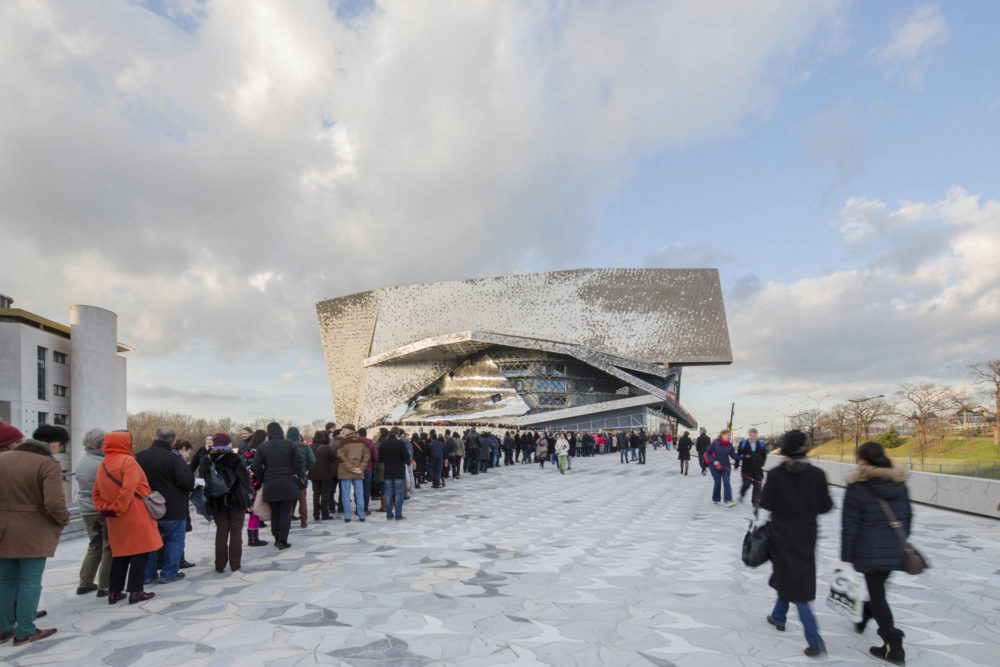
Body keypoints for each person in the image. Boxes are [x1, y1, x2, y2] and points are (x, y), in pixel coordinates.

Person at [759, 430, 833, 659]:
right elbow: (825, 507)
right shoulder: (818, 474)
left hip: (781, 535)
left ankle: (815, 639)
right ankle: (778, 617)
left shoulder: (776, 474)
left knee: (796, 588)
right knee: (793, 577)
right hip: (806, 535)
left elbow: (766, 503)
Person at [841, 441, 912, 665]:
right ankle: (864, 616)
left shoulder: (858, 485)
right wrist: (897, 540)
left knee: (878, 596)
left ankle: (893, 645)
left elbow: (850, 524)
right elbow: (908, 517)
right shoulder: (899, 484)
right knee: (878, 589)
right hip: (894, 547)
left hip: (869, 550)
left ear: (862, 460)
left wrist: (846, 554)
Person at [0, 425, 69, 645]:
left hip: (3, 529)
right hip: (32, 530)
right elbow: (54, 502)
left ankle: (3, 628)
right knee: (30, 580)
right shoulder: (48, 463)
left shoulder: (4, 458)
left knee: (5, 581)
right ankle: (25, 630)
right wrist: (63, 519)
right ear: (55, 444)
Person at [93, 431, 161, 606]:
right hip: (134, 513)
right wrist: (119, 508)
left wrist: (105, 509)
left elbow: (96, 492)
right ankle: (136, 591)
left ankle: (114, 591)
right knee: (140, 552)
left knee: (121, 554)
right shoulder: (128, 461)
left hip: (114, 517)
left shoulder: (104, 463)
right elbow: (128, 489)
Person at [136, 427, 195, 585]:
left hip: (146, 507)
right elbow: (188, 482)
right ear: (173, 442)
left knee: (149, 543)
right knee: (174, 541)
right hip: (173, 508)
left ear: (153, 439)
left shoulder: (138, 458)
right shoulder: (174, 459)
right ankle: (169, 573)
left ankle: (148, 574)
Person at [200, 433, 251, 573]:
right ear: (228, 443)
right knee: (236, 532)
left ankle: (220, 563)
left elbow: (203, 480)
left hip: (216, 501)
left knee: (221, 532)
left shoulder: (206, 459)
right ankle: (235, 563)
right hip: (236, 500)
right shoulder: (234, 458)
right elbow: (245, 479)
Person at [252, 423, 304, 550]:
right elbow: (298, 462)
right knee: (285, 512)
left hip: (270, 482)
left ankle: (276, 537)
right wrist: (300, 475)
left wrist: (261, 478)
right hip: (288, 481)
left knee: (275, 511)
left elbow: (256, 466)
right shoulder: (290, 444)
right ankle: (282, 539)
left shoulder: (262, 447)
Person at [75, 428, 112, 598]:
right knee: (108, 547)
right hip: (101, 509)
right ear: (99, 445)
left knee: (94, 545)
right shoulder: (102, 464)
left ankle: (85, 581)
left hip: (86, 509)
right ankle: (105, 585)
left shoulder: (83, 461)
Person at [336, 424, 370, 522]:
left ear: (348, 430)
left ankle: (347, 516)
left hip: (346, 471)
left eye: (344, 429)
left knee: (346, 494)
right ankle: (361, 515)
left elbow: (341, 456)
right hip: (358, 471)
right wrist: (361, 468)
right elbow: (367, 456)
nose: (343, 431)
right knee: (359, 494)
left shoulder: (343, 442)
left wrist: (351, 468)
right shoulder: (362, 442)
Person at [243, 429, 269, 547]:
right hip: (254, 484)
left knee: (254, 511)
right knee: (255, 511)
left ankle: (254, 537)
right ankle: (253, 539)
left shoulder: (250, 450)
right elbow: (254, 468)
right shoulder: (255, 451)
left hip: (250, 483)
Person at [378, 427, 410, 520]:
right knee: (399, 494)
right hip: (399, 471)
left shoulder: (383, 444)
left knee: (388, 494)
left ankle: (389, 514)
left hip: (388, 471)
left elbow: (380, 459)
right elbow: (406, 456)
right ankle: (398, 515)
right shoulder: (400, 443)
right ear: (398, 434)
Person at [286, 427, 314, 528]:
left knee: (289, 500)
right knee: (302, 499)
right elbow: (312, 461)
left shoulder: (285, 446)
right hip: (301, 475)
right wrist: (305, 469)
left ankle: (288, 520)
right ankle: (303, 520)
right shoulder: (305, 446)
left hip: (288, 476)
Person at [704, 430, 738, 506]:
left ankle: (728, 500)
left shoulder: (729, 445)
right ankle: (716, 499)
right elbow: (708, 453)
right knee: (718, 482)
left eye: (729, 435)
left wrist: (743, 457)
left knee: (726, 482)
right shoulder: (715, 443)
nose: (729, 437)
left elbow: (734, 456)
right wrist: (713, 461)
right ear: (722, 435)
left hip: (726, 467)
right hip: (715, 467)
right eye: (727, 435)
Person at [308, 431, 336, 521]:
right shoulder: (326, 447)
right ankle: (325, 513)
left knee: (316, 494)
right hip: (326, 474)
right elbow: (332, 458)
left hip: (313, 474)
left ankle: (316, 514)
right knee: (325, 494)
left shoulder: (310, 447)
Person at [736, 428, 768, 505]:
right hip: (747, 468)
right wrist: (736, 465)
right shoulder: (743, 444)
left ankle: (755, 502)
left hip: (757, 468)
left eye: (756, 436)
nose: (754, 438)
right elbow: (738, 455)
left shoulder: (761, 444)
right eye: (753, 436)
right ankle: (742, 494)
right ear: (749, 435)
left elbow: (764, 455)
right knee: (746, 484)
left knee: (758, 485)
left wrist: (762, 463)